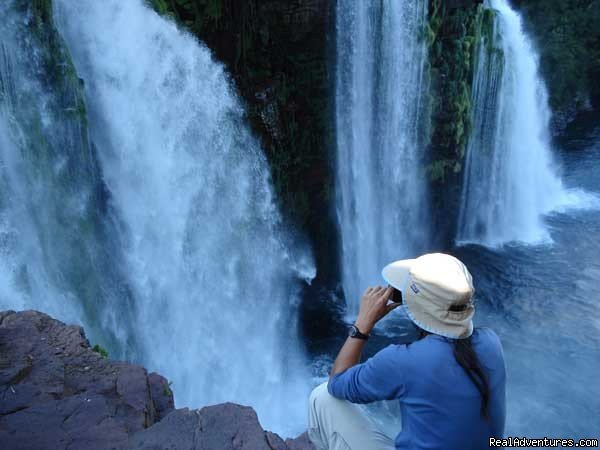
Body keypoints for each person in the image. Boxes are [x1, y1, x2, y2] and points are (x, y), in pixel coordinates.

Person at [308, 253, 506, 450]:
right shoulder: (491, 342)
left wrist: (363, 324)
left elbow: (338, 383)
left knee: (322, 396)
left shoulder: (403, 360)